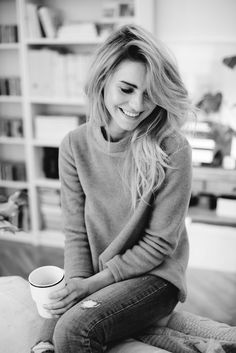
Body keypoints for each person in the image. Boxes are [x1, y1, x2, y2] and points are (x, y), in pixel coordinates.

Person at [31, 24, 194, 353]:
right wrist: (78, 282)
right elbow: (76, 230)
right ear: (103, 80)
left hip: (155, 277)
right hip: (97, 271)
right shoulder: (74, 145)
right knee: (46, 334)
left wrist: (92, 285)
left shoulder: (172, 147)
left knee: (74, 329)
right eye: (128, 88)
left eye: (150, 93)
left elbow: (159, 244)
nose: (138, 104)